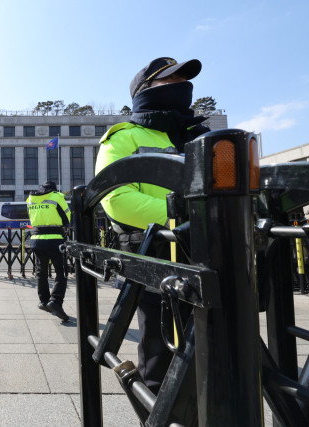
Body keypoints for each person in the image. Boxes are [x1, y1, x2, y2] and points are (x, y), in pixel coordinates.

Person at [94, 57, 210, 394]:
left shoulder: (201, 136)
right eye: (168, 79)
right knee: (163, 362)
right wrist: (188, 220)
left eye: (183, 78)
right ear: (145, 90)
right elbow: (114, 197)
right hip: (157, 258)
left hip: (207, 254)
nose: (180, 83)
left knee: (217, 356)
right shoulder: (123, 136)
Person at [26, 180, 72, 321]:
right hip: (55, 239)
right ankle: (56, 301)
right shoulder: (57, 197)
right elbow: (66, 218)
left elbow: (32, 218)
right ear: (54, 189)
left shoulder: (30, 199)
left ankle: (44, 302)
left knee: (41, 272)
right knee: (61, 271)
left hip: (36, 239)